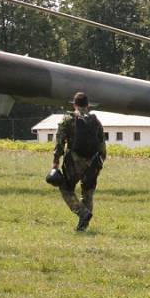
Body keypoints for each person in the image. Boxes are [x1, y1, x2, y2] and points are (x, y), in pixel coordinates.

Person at [53, 92, 106, 231]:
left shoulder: (68, 119)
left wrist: (55, 163)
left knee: (65, 188)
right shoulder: (96, 121)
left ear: (74, 104)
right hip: (93, 162)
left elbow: (59, 143)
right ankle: (83, 225)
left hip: (75, 162)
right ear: (88, 105)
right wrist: (100, 162)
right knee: (88, 192)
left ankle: (82, 213)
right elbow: (102, 143)